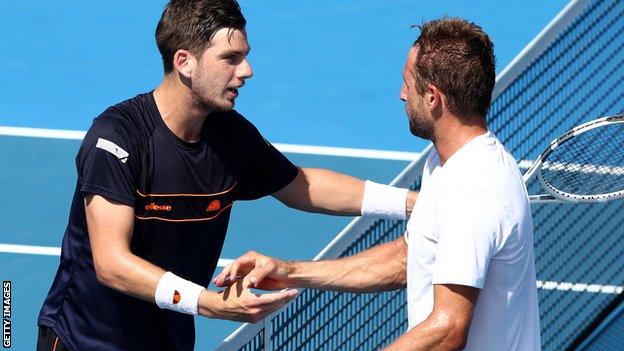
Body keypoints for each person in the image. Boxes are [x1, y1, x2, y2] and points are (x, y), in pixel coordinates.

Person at [36, 1, 416, 350]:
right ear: (185, 62)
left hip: (169, 340)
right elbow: (112, 264)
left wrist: (416, 204)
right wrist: (208, 304)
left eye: (245, 57)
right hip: (85, 342)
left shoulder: (229, 135)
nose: (247, 71)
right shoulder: (117, 139)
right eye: (231, 58)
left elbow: (302, 186)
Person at [215, 18, 541, 350]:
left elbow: (449, 329)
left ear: (432, 97)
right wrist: (291, 270)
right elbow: (405, 260)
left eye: (407, 83)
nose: (401, 95)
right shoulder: (445, 165)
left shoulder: (472, 192)